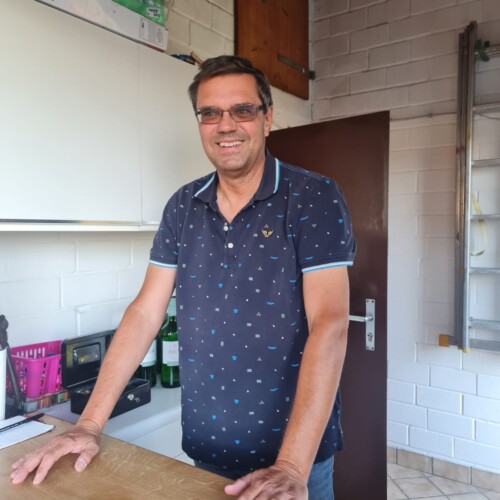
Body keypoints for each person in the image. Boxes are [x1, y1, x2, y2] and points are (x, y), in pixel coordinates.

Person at [10, 55, 356, 499]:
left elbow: (330, 323)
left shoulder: (312, 196)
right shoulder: (183, 205)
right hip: (207, 444)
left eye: (242, 110)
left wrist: (291, 466)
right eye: (210, 113)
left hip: (295, 455)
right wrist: (89, 424)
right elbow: (145, 313)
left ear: (267, 118)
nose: (225, 125)